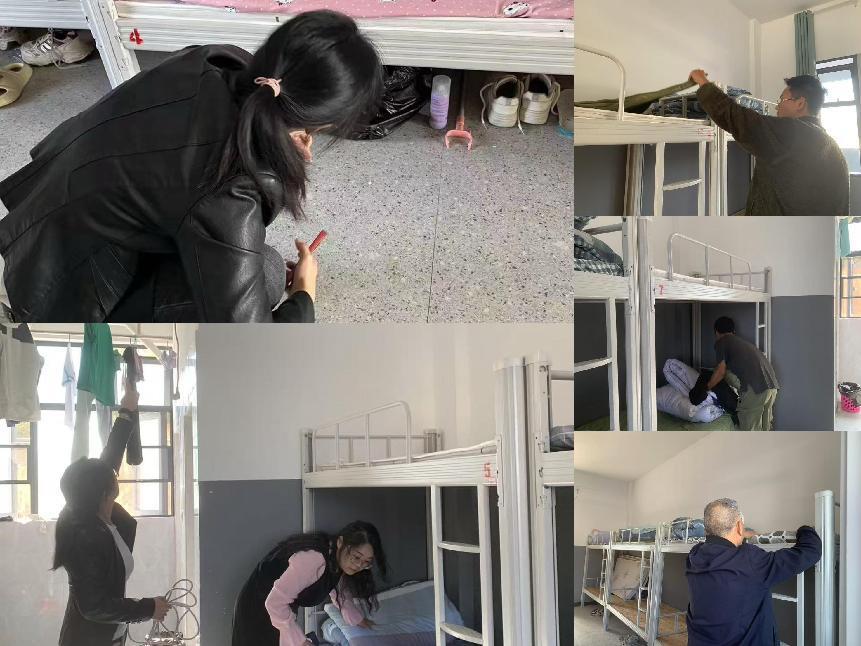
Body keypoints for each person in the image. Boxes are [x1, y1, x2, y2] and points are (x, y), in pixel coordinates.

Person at [0, 10, 384, 322]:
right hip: (65, 290)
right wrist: (303, 296)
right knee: (266, 272)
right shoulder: (231, 185)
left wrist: (282, 134)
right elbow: (252, 349)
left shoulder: (214, 59)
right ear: (321, 122)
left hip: (46, 220)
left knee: (248, 261)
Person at [52, 381, 171, 646]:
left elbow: (108, 461)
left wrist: (127, 411)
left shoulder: (89, 509)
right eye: (110, 477)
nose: (114, 473)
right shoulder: (85, 537)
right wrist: (148, 608)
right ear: (103, 492)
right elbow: (94, 606)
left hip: (110, 637)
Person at [689, 69, 848, 217]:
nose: (778, 106)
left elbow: (737, 118)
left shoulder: (794, 132)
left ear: (800, 103)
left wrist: (702, 81)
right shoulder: (828, 142)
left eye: (782, 99)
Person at [686, 498, 822, 645]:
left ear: (706, 529)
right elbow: (811, 550)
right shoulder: (750, 559)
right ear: (740, 526)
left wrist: (742, 536)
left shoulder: (694, 555)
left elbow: (720, 544)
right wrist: (805, 529)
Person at [232, 521, 387, 646]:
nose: (359, 565)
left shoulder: (337, 558)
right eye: (357, 557)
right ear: (341, 542)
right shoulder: (314, 559)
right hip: (260, 605)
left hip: (277, 603)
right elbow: (274, 603)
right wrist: (299, 641)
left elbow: (340, 590)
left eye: (366, 562)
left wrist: (357, 619)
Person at [707, 316, 779, 431]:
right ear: (733, 331)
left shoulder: (722, 342)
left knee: (748, 432)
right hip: (771, 386)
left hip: (756, 390)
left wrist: (706, 388)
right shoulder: (742, 344)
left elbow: (720, 371)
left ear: (716, 332)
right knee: (765, 430)